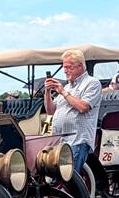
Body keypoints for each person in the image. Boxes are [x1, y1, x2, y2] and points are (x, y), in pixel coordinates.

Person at [43, 48, 102, 176]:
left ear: (80, 66)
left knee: (70, 178)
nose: (65, 70)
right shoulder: (68, 86)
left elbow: (83, 107)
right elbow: (50, 111)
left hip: (77, 140)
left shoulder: (92, 83)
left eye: (68, 67)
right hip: (61, 141)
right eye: (64, 67)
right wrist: (47, 92)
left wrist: (63, 92)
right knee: (62, 178)